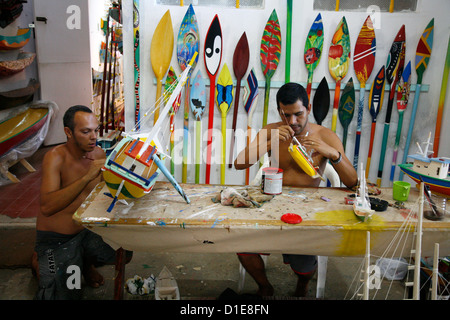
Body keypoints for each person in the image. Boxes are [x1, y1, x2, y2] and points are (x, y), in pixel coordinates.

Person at [234, 83, 358, 297]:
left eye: (298, 114)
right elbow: (239, 163)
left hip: (306, 211)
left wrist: (331, 153)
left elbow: (352, 182)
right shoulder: (271, 131)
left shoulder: (325, 136)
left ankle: (303, 282)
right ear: (280, 111)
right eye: (286, 115)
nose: (292, 122)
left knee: (304, 268)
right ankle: (265, 286)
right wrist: (271, 142)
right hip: (271, 204)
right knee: (241, 245)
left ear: (308, 109)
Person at [32, 105, 132, 300]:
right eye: (85, 132)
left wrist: (126, 178)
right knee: (69, 293)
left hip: (87, 231)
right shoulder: (55, 157)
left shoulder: (98, 155)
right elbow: (47, 207)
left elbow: (105, 195)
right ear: (68, 132)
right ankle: (41, 260)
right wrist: (87, 177)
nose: (94, 137)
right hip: (58, 239)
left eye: (95, 130)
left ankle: (84, 263)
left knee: (125, 249)